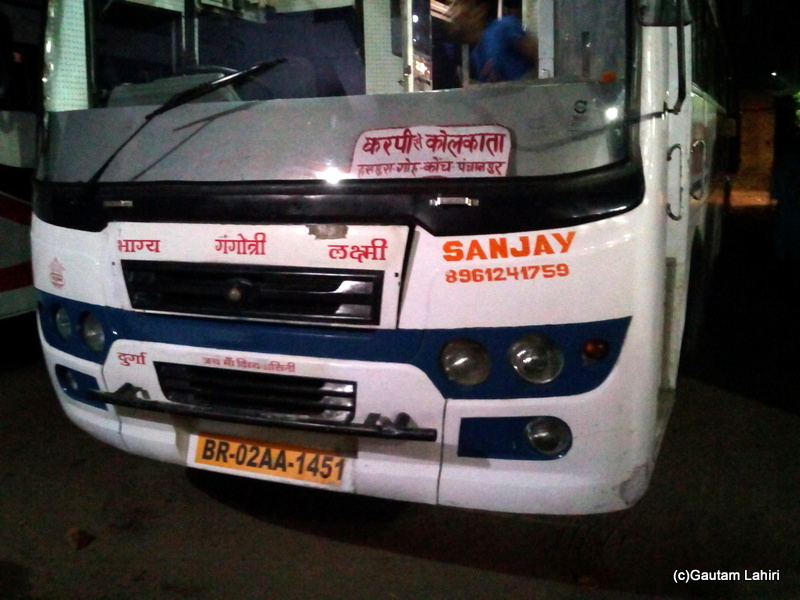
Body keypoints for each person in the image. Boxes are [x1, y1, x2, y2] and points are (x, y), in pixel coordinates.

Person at [450, 0, 537, 83]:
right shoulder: (476, 55)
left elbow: (538, 57)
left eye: (458, 4)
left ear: (479, 11)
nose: (451, 8)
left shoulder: (503, 27)